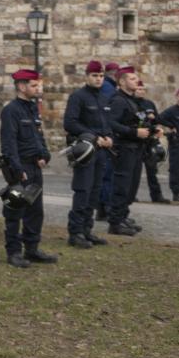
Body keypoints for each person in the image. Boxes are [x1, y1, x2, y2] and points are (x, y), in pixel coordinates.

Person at [0, 69, 57, 268]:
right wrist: (16, 168)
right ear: (22, 87)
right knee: (15, 209)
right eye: (33, 85)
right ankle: (13, 252)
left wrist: (44, 155)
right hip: (20, 166)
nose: (37, 88)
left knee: (35, 210)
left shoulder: (32, 109)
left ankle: (32, 249)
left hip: (34, 166)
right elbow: (9, 143)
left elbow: (38, 136)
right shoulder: (11, 110)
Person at [62, 60, 113, 248]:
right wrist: (93, 137)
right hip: (85, 150)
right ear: (87, 76)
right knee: (83, 190)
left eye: (101, 76)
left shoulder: (105, 98)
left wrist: (109, 137)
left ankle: (87, 230)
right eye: (95, 75)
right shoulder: (78, 97)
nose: (99, 79)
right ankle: (75, 232)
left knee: (95, 190)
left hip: (101, 151)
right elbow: (70, 123)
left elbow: (107, 123)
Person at [103, 67, 153, 237]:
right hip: (125, 148)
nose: (136, 81)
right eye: (132, 78)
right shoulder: (118, 100)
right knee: (122, 186)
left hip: (136, 148)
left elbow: (136, 120)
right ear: (122, 81)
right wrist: (134, 133)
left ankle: (123, 216)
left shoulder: (132, 100)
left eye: (136, 78)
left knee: (132, 186)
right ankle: (115, 222)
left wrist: (151, 129)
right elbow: (111, 123)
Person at [95, 61, 120, 223]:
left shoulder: (104, 88)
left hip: (102, 136)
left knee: (103, 175)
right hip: (107, 137)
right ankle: (105, 208)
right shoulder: (109, 90)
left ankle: (102, 208)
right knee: (107, 176)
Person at [135, 80, 167, 203]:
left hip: (149, 142)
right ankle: (131, 195)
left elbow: (157, 119)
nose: (141, 91)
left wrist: (156, 122)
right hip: (137, 140)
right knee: (135, 171)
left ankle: (156, 196)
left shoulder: (149, 103)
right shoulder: (131, 103)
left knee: (152, 170)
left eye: (143, 89)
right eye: (138, 89)